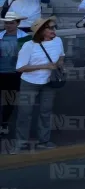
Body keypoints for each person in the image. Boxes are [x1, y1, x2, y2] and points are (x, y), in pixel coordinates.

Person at [13, 16, 62, 152]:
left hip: (49, 83)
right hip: (30, 82)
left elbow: (62, 55)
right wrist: (45, 66)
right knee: (25, 113)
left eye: (54, 27)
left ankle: (44, 141)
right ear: (41, 31)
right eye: (51, 28)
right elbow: (20, 68)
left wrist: (59, 64)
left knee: (46, 112)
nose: (54, 30)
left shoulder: (58, 41)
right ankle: (20, 142)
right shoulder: (28, 46)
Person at [0, 12, 27, 135]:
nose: (8, 25)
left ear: (18, 23)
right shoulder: (0, 36)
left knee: (9, 100)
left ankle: (4, 123)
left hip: (14, 73)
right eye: (6, 23)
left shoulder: (25, 38)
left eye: (11, 23)